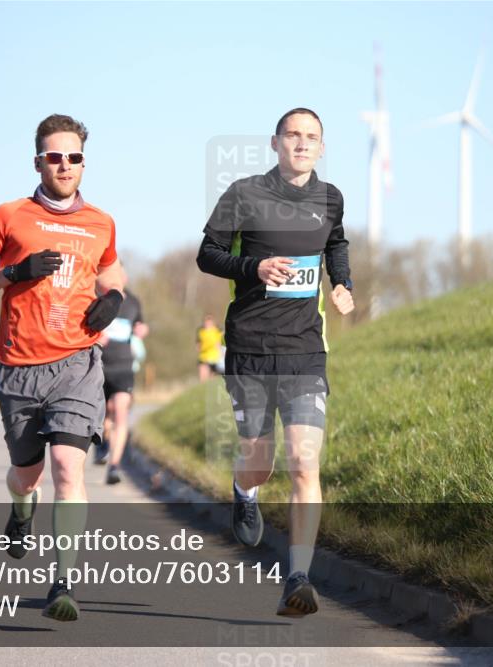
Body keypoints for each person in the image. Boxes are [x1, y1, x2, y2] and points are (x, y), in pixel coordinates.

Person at [0, 114, 125, 622]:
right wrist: (10, 273)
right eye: (55, 156)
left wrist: (113, 298)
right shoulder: (8, 215)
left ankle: (63, 582)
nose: (65, 165)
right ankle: (20, 507)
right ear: (38, 161)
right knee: (26, 474)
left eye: (74, 157)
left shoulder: (101, 221)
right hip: (18, 367)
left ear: (83, 162)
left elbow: (114, 272)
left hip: (78, 361)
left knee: (68, 468)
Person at [196, 108, 354, 617]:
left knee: (305, 460)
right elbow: (207, 254)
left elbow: (337, 244)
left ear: (322, 147)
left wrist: (343, 282)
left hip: (306, 350)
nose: (301, 144)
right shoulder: (244, 193)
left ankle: (298, 577)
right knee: (259, 459)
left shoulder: (330, 198)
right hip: (251, 347)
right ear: (275, 142)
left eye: (311, 138)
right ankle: (244, 490)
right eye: (293, 135)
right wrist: (254, 267)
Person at [94, 265, 148, 485]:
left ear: (124, 277)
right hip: (99, 366)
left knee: (121, 413)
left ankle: (114, 466)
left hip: (124, 366)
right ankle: (103, 444)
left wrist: (142, 330)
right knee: (104, 414)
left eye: (119, 274)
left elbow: (140, 325)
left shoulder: (133, 302)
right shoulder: (97, 298)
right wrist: (96, 335)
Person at [196, 315, 223, 381]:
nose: (207, 323)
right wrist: (200, 348)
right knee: (203, 378)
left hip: (215, 358)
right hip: (204, 357)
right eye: (206, 321)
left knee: (212, 379)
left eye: (209, 321)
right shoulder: (201, 331)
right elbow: (198, 344)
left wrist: (221, 353)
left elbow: (220, 344)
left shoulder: (218, 331)